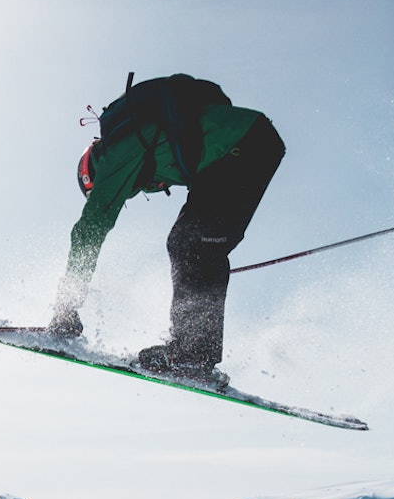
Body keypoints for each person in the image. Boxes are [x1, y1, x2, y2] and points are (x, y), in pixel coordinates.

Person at [48, 73, 285, 382]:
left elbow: (89, 228)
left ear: (90, 175)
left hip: (244, 147)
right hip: (241, 150)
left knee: (191, 244)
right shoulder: (147, 151)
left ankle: (192, 355)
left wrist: (66, 307)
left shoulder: (115, 154)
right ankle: (192, 352)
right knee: (194, 244)